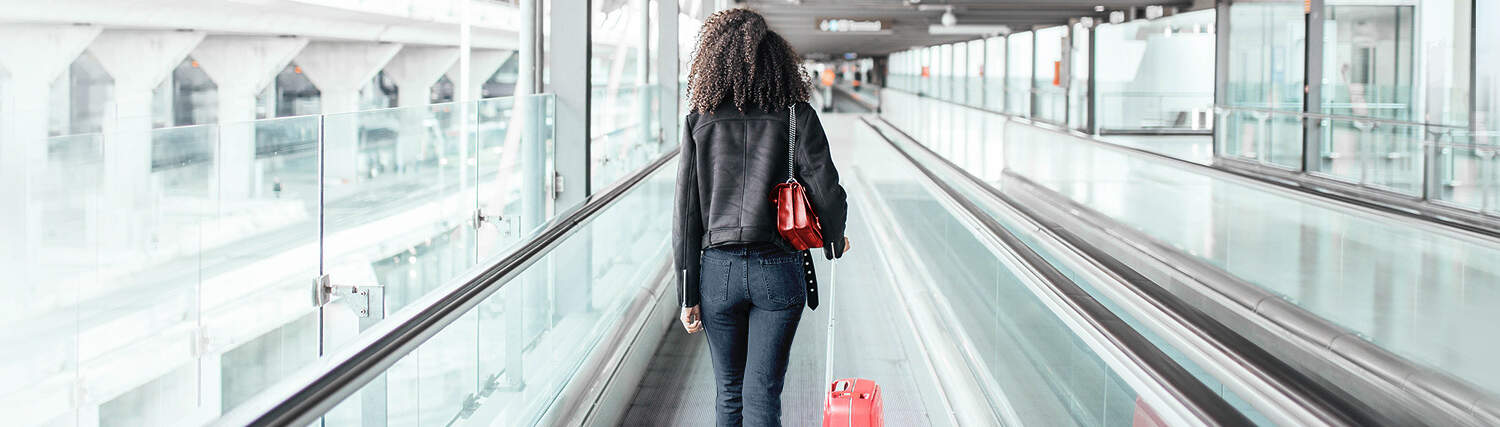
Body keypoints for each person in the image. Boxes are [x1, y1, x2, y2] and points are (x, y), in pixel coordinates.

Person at [672, 8, 851, 427]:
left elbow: (685, 215)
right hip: (778, 269)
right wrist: (835, 237)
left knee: (729, 393)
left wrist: (687, 294)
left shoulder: (700, 121)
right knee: (763, 393)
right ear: (779, 66)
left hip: (717, 274)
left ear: (712, 63)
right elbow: (826, 188)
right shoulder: (795, 116)